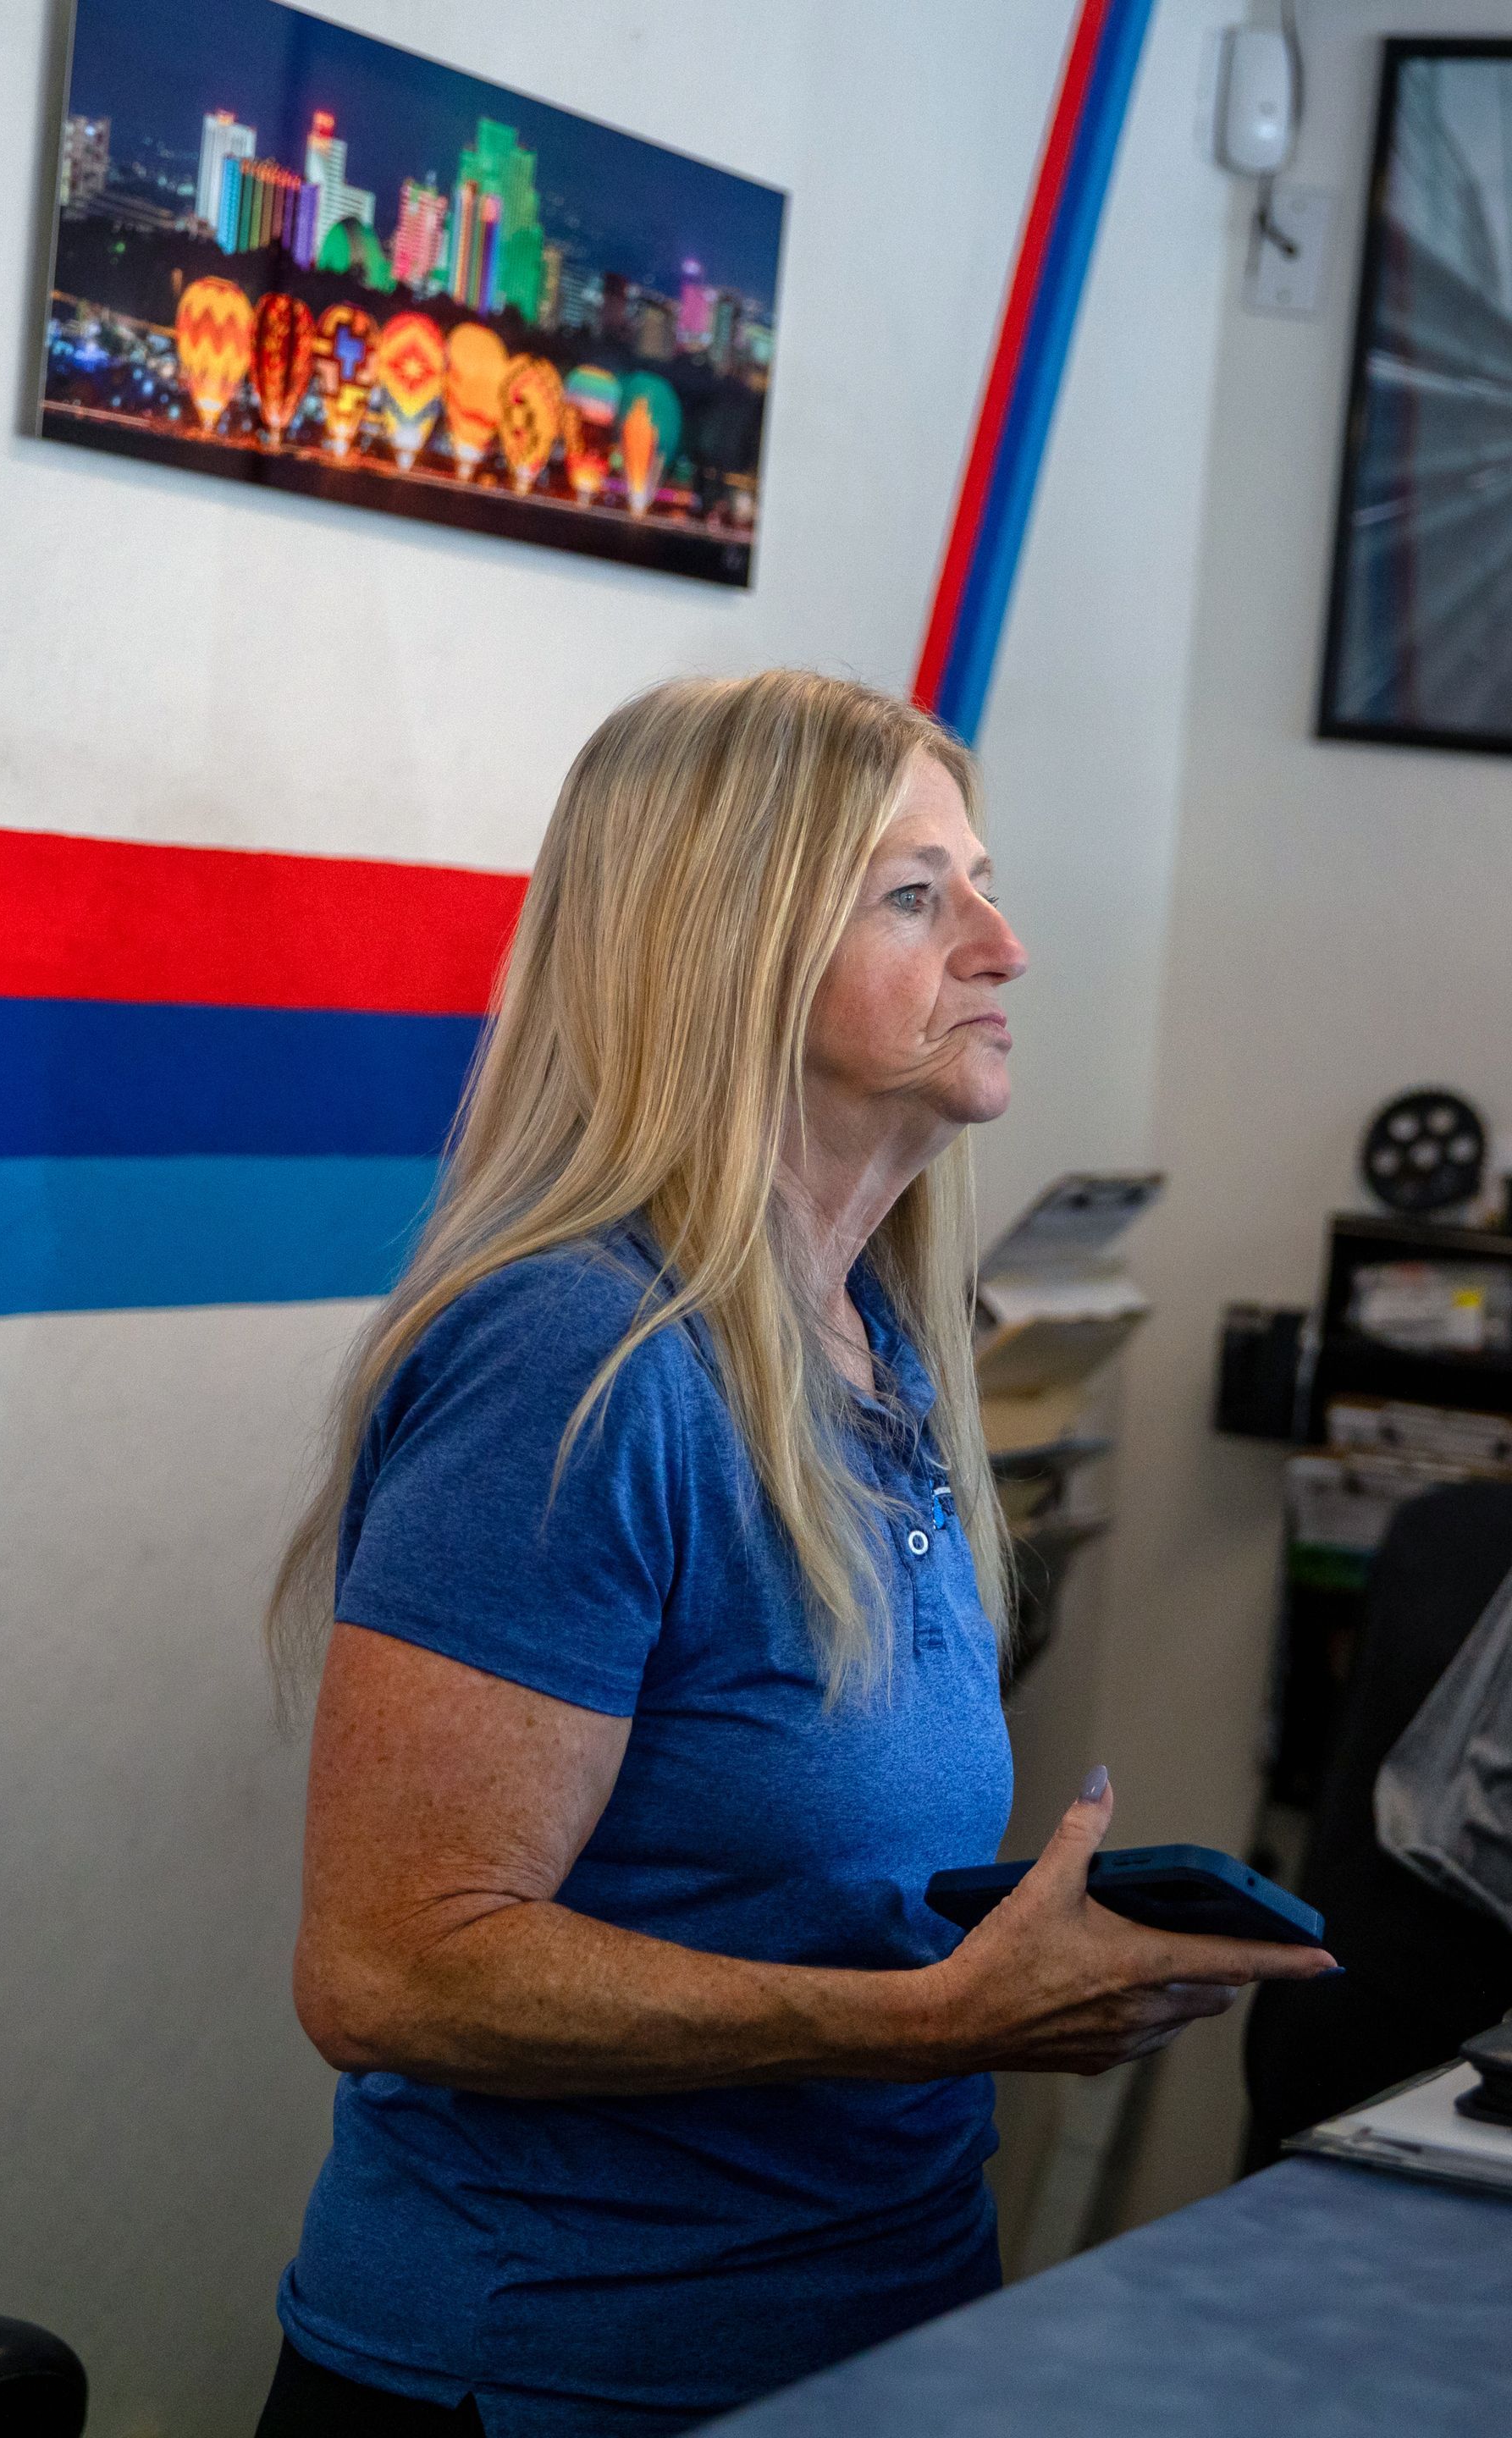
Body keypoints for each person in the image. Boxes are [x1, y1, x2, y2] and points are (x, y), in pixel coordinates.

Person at [259, 672, 1336, 2438]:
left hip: (879, 2328)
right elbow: (392, 1969)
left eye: (982, 884)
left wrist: (996, 1974)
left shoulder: (877, 1337)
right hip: (564, 2375)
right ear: (730, 953)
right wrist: (934, 2021)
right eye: (917, 895)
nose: (1003, 945)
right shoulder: (573, 1356)